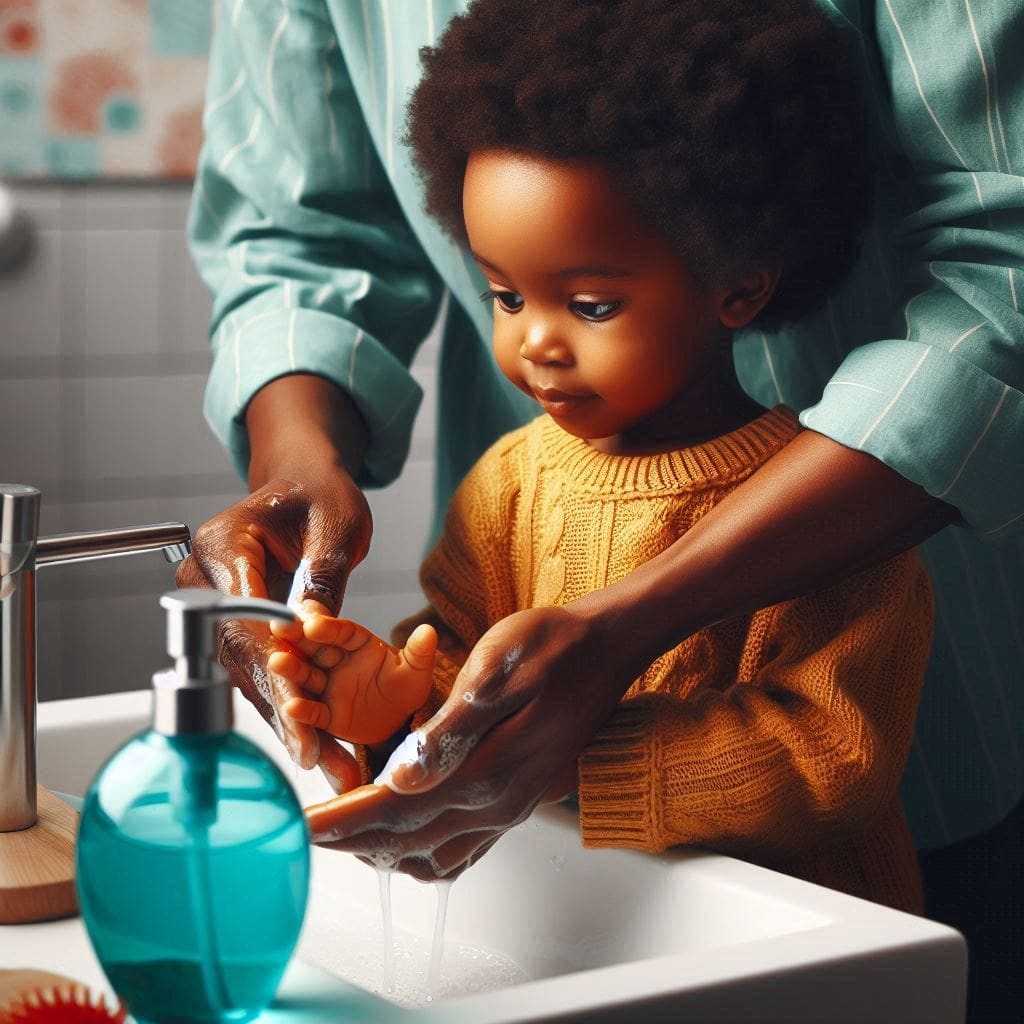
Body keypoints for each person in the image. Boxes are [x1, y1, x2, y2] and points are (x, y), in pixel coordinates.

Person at [179, 1, 1023, 1019]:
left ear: (740, 286)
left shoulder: (853, 555)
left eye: (586, 304)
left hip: (820, 939)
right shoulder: (509, 483)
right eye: (503, 294)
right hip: (557, 895)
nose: (535, 344)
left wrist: (578, 755)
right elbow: (456, 651)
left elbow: (829, 754)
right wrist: (390, 695)